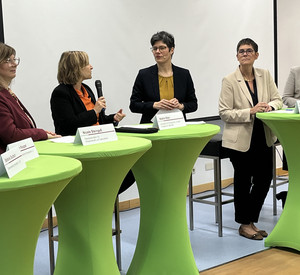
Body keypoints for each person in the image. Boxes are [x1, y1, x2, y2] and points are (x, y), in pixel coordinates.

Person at [219, 38, 283, 240]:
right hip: (239, 140)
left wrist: (269, 107)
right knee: (243, 181)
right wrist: (250, 111)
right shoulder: (229, 80)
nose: (244, 54)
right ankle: (244, 224)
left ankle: (250, 220)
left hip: (263, 136)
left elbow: (278, 100)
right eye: (241, 51)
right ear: (237, 56)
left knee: (265, 179)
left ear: (256, 55)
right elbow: (224, 113)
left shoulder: (265, 75)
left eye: (249, 51)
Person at [0, 42, 60, 154]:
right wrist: (40, 133)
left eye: (15, 60)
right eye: (8, 60)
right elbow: (11, 135)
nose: (15, 64)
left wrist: (38, 132)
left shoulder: (7, 93)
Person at [50, 51, 125, 136]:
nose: (91, 67)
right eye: (87, 64)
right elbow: (69, 125)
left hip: (96, 138)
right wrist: (95, 111)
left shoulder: (86, 89)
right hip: (75, 144)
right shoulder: (60, 93)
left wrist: (113, 118)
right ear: (76, 68)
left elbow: (97, 120)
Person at [129, 31, 198, 124]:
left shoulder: (184, 74)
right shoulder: (144, 74)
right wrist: (154, 105)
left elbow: (193, 104)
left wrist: (180, 106)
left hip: (177, 125)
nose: (158, 52)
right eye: (155, 48)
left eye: (162, 48)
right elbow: (133, 105)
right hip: (151, 127)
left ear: (171, 50)